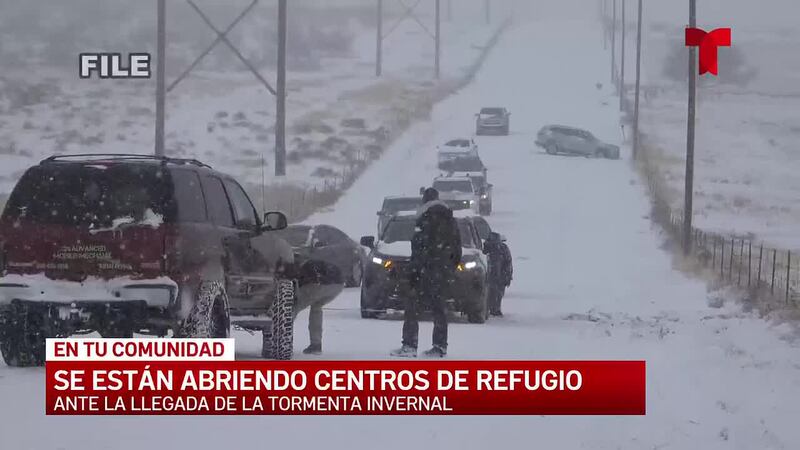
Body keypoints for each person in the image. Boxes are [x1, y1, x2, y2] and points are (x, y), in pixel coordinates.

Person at [391, 187, 461, 358]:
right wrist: (448, 267)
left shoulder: (426, 219)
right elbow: (457, 250)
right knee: (439, 309)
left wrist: (415, 270)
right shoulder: (450, 220)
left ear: (424, 201)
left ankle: (409, 345)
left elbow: (420, 248)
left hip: (424, 270)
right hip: (442, 271)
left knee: (412, 307)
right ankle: (439, 346)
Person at [483, 232, 513, 316]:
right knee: (491, 293)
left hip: (498, 277)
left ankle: (495, 309)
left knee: (497, 294)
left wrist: (507, 276)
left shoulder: (502, 249)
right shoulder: (485, 248)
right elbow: (508, 263)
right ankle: (491, 309)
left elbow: (508, 263)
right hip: (490, 276)